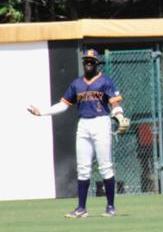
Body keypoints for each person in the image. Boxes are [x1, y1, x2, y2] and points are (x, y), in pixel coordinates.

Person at [28, 49, 130, 218]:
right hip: (83, 124)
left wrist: (119, 115)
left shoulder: (105, 81)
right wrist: (42, 112)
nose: (88, 63)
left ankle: (111, 206)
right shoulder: (77, 84)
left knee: (105, 167)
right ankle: (81, 208)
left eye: (91, 60)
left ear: (97, 63)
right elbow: (63, 105)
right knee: (83, 169)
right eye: (86, 61)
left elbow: (115, 104)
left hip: (101, 122)